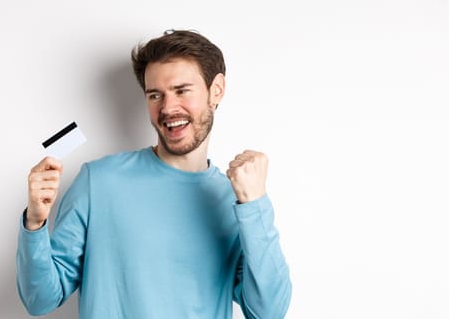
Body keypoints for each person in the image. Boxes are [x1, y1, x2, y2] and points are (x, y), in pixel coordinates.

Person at [17, 30, 292, 318]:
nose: (168, 108)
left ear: (216, 90)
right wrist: (34, 224)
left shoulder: (236, 202)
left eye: (182, 90)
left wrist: (255, 205)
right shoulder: (98, 181)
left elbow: (268, 312)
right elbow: (40, 299)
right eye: (155, 95)